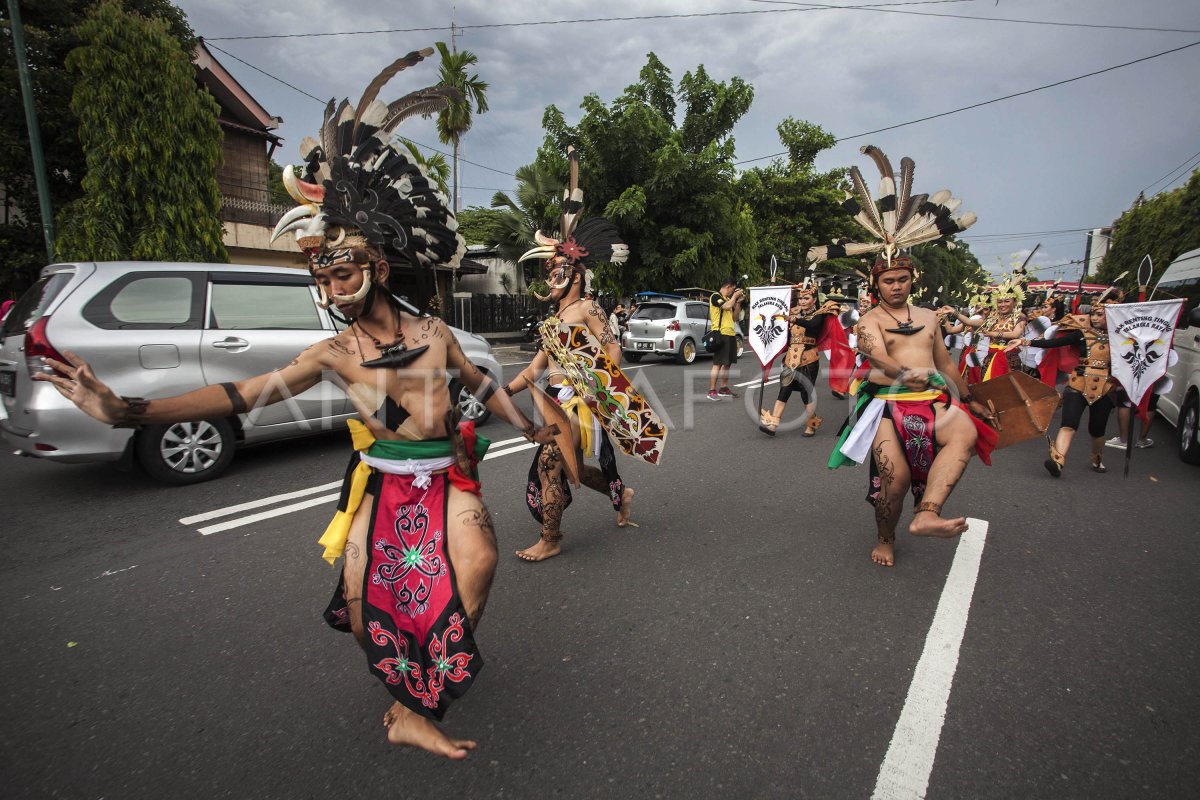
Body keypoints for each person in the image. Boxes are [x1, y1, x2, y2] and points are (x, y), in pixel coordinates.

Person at [36, 54, 557, 760]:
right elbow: (239, 395)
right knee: (367, 601)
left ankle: (419, 692)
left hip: (450, 476)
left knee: (480, 564)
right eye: (322, 276)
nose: (332, 287)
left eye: (342, 271)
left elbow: (481, 384)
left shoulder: (435, 334)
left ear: (375, 267)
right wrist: (127, 411)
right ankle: (411, 697)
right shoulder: (332, 354)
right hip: (384, 481)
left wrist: (531, 427)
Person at [809, 144, 994, 568]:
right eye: (889, 280)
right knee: (895, 482)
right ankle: (886, 535)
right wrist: (903, 372)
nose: (896, 286)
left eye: (902, 279)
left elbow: (946, 365)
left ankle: (927, 516)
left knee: (964, 433)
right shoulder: (869, 319)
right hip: (889, 406)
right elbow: (875, 359)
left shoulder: (929, 318)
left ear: (913, 279)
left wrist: (969, 397)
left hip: (935, 402)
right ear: (878, 285)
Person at [504, 148, 666, 562]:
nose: (550, 277)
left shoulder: (587, 308)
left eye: (557, 270)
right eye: (549, 271)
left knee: (551, 462)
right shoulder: (554, 319)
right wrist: (500, 390)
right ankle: (621, 492)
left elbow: (612, 347)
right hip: (557, 398)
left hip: (581, 402)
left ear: (574, 274)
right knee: (573, 465)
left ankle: (551, 538)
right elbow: (537, 368)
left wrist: (595, 381)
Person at [1011, 297, 1121, 475]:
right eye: (1093, 314)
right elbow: (1055, 343)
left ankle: (1097, 457)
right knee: (1069, 423)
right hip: (1079, 383)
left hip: (1105, 387)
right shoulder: (1081, 333)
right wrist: (1026, 342)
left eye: (1100, 315)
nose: (1094, 318)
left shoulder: (1123, 339)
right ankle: (1058, 460)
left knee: (1097, 429)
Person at [759, 283, 844, 437]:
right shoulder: (795, 313)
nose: (803, 301)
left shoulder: (820, 314)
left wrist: (792, 318)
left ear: (814, 299)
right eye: (800, 298)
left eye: (807, 298)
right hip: (791, 358)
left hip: (808, 359)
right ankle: (773, 423)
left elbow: (812, 325)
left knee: (806, 393)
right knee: (784, 389)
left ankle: (811, 424)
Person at [940, 280, 1025, 384]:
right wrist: (952, 312)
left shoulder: (1019, 317)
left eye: (1007, 301)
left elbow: (1015, 334)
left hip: (1009, 358)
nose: (1002, 304)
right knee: (987, 386)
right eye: (999, 301)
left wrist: (992, 334)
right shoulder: (992, 319)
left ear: (1015, 302)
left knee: (1007, 388)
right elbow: (967, 321)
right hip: (988, 357)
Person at [708, 279, 745, 400]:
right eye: (733, 290)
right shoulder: (715, 296)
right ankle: (712, 391)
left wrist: (738, 303)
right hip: (720, 333)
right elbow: (725, 306)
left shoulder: (730, 299)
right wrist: (735, 296)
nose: (733, 292)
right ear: (728, 287)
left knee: (727, 364)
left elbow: (734, 317)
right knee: (718, 363)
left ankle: (723, 388)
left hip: (730, 333)